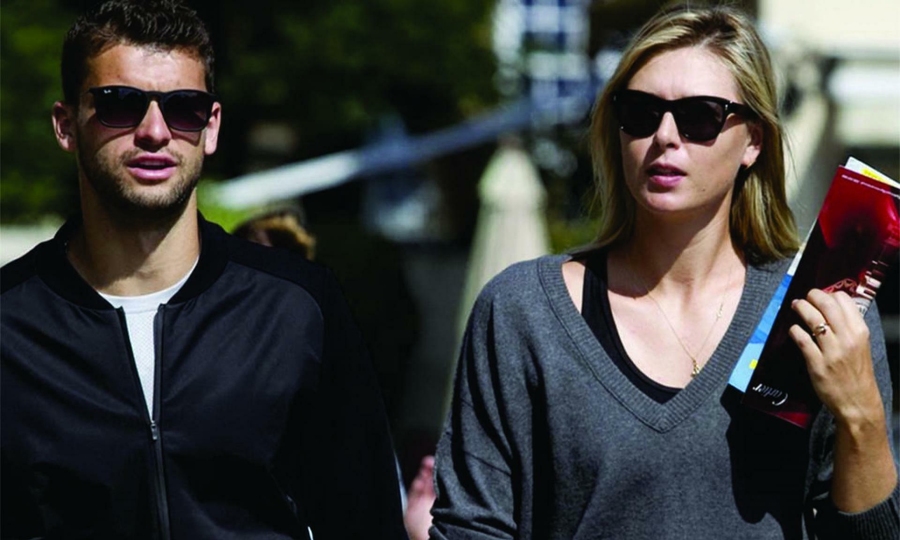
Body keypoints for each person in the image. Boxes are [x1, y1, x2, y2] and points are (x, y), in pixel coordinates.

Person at [430, 5, 898, 539]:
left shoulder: (819, 312)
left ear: (754, 141)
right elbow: (470, 526)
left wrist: (862, 415)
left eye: (700, 116)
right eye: (641, 112)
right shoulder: (524, 311)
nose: (665, 136)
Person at [0, 1, 407, 538]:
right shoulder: (10, 323)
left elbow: (366, 522)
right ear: (66, 124)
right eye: (119, 104)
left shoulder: (297, 307)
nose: (154, 131)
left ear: (211, 127)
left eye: (184, 108)